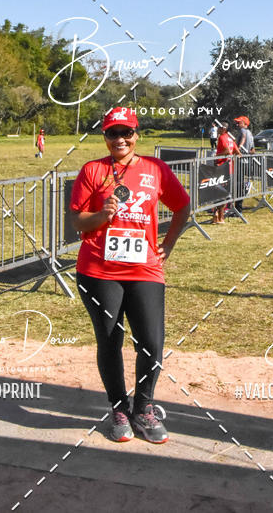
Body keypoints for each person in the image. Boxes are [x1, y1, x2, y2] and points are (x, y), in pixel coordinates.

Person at [70, 107, 190, 443]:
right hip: (98, 270)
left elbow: (182, 205)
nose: (120, 139)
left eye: (126, 132)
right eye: (112, 133)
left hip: (145, 269)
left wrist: (169, 243)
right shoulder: (92, 171)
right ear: (104, 136)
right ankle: (118, 407)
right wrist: (102, 215)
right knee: (110, 339)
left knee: (151, 341)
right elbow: (78, 221)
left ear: (136, 134)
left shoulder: (155, 169)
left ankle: (144, 408)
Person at [212, 121, 240, 224]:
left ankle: (218, 216)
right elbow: (237, 152)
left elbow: (228, 151)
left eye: (219, 128)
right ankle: (220, 217)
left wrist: (217, 156)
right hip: (229, 168)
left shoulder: (222, 137)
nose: (218, 129)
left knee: (219, 192)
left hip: (221, 168)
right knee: (225, 193)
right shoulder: (230, 138)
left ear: (223, 129)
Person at [233, 116, 254, 214]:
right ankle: (238, 207)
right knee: (239, 184)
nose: (237, 124)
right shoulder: (250, 133)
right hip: (246, 161)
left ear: (245, 124)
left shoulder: (243, 132)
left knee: (238, 185)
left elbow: (243, 140)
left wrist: (238, 147)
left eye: (239, 122)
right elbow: (252, 150)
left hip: (240, 161)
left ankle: (238, 209)